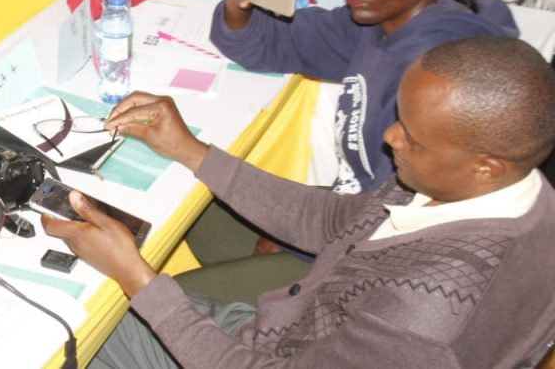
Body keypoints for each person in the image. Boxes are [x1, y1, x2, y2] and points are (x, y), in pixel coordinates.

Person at [46, 36, 555, 368]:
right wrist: (190, 150)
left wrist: (136, 279)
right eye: (401, 119)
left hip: (269, 357)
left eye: (414, 139)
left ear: (486, 165)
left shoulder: (427, 319)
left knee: (67, 334)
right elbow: (332, 220)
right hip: (291, 330)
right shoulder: (489, 187)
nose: (392, 138)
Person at [182, 0, 519, 298]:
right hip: (341, 218)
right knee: (186, 206)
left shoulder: (439, 80)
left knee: (149, 312)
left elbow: (393, 221)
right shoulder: (379, 20)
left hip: (371, 271)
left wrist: (295, 243)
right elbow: (272, 45)